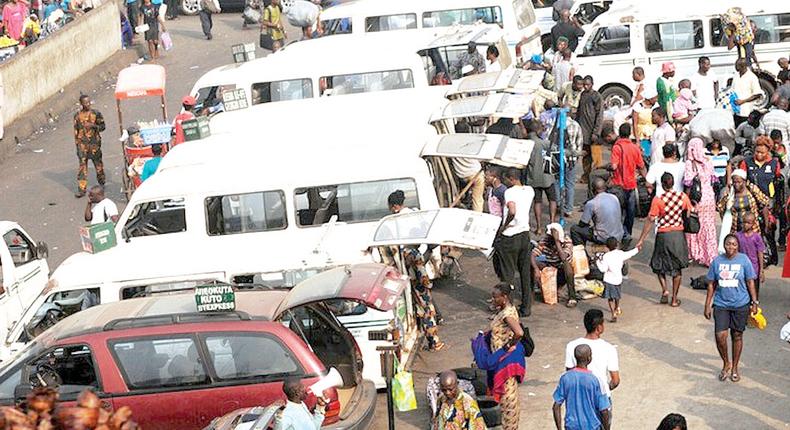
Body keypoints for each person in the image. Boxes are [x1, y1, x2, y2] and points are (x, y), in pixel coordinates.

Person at [704, 234, 758, 383]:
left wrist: (755, 302)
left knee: (737, 335)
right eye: (728, 244)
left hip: (741, 304)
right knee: (720, 336)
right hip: (721, 304)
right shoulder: (717, 261)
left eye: (734, 244)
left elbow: (750, 281)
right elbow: (711, 284)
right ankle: (725, 362)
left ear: (738, 246)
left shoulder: (744, 260)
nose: (731, 247)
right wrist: (707, 304)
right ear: (724, 245)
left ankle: (734, 367)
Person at [636, 173, 691, 307]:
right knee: (677, 268)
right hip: (678, 235)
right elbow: (689, 212)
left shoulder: (658, 199)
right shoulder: (682, 197)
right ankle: (674, 299)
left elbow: (650, 219)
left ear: (661, 184)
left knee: (659, 265)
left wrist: (641, 239)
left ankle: (665, 290)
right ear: (673, 183)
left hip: (663, 235)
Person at [495, 168, 535, 317]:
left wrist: (504, 226)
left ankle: (508, 309)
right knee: (525, 272)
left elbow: (512, 211)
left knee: (508, 273)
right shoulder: (529, 190)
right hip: (524, 234)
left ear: (511, 179)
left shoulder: (510, 192)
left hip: (510, 235)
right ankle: (526, 306)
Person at [565, 309, 620, 409]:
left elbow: (569, 374)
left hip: (580, 398)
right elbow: (615, 381)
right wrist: (606, 388)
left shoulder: (571, 346)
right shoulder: (609, 348)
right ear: (599, 328)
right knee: (603, 424)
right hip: (601, 398)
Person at [489, 283, 524, 430]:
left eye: (495, 297)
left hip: (505, 361)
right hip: (500, 359)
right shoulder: (504, 310)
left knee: (507, 395)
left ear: (504, 297)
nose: (493, 300)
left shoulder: (508, 315)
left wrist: (508, 346)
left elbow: (519, 332)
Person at [553, 344, 612, 430]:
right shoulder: (596, 380)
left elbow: (556, 406)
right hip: (592, 427)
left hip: (571, 426)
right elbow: (604, 411)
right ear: (589, 359)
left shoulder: (565, 378)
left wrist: (559, 429)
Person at [684, 138, 719, 266]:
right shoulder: (708, 161)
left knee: (694, 224)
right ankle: (710, 256)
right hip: (709, 198)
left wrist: (687, 201)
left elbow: (688, 183)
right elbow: (714, 181)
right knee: (709, 226)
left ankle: (695, 253)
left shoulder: (690, 163)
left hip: (697, 199)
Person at [609, 123, 646, 239]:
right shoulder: (635, 148)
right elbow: (641, 166)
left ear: (619, 133)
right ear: (630, 133)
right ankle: (627, 233)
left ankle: (616, 233)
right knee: (630, 211)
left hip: (618, 184)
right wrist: (647, 181)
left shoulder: (616, 147)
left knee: (617, 211)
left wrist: (607, 168)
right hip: (631, 185)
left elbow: (614, 166)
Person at [404, 248, 445, 351]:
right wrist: (428, 284)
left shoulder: (403, 253)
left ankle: (432, 341)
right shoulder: (414, 254)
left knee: (423, 312)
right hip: (420, 288)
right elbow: (422, 273)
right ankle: (435, 342)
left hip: (412, 286)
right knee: (428, 313)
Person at [532, 223, 578, 308]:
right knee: (532, 264)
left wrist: (557, 242)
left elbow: (564, 257)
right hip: (551, 267)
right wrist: (536, 269)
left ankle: (572, 297)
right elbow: (532, 255)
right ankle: (533, 291)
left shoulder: (567, 241)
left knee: (567, 267)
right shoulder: (545, 241)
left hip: (562, 271)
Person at [570, 178, 623, 246]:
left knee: (575, 229)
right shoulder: (614, 197)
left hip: (604, 237)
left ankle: (582, 253)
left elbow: (582, 223)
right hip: (618, 234)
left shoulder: (592, 203)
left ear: (593, 191)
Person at [525, 120, 557, 232]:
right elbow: (558, 150)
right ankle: (552, 224)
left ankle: (539, 227)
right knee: (552, 199)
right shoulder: (544, 143)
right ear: (537, 130)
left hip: (532, 177)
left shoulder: (525, 143)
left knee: (537, 201)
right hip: (546, 176)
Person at [718, 169, 771, 235]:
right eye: (734, 182)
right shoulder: (730, 193)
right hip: (736, 230)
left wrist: (766, 224)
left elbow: (764, 204)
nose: (736, 184)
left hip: (753, 229)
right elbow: (721, 208)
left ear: (744, 181)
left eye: (739, 182)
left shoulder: (752, 189)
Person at [597, 238, 638, 322]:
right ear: (617, 245)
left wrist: (598, 261)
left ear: (607, 247)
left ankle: (613, 314)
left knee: (610, 298)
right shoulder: (620, 253)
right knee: (617, 296)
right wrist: (637, 248)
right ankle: (617, 307)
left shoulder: (606, 256)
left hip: (608, 280)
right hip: (618, 280)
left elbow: (603, 269)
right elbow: (630, 254)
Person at [73, 95, 106, 198]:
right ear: (81, 104)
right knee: (82, 167)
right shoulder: (77, 116)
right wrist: (78, 145)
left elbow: (103, 127)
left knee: (98, 165)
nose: (87, 104)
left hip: (94, 144)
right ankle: (82, 190)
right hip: (82, 145)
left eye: (89, 102)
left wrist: (93, 126)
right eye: (85, 103)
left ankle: (101, 182)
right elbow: (75, 131)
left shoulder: (96, 114)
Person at [576, 75, 603, 181]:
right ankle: (586, 175)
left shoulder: (596, 96)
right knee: (586, 156)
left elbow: (599, 115)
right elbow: (579, 112)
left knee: (596, 156)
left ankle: (597, 177)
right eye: (584, 85)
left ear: (592, 84)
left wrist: (596, 132)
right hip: (583, 130)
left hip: (593, 131)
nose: (586, 87)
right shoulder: (583, 95)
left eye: (588, 84)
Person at [736, 213, 765, 297]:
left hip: (754, 268)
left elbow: (760, 253)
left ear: (753, 224)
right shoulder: (738, 236)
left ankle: (754, 305)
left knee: (754, 291)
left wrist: (761, 270)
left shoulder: (756, 237)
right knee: (742, 290)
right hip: (741, 268)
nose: (745, 225)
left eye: (748, 223)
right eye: (744, 222)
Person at [731, 58, 764, 127]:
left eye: (737, 66)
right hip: (736, 111)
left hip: (746, 112)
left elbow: (757, 94)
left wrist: (743, 101)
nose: (735, 68)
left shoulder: (752, 77)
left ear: (743, 66)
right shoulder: (736, 75)